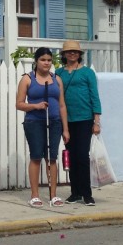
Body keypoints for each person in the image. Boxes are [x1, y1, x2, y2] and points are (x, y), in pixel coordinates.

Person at [16, 46, 69, 207]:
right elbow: (19, 104)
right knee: (36, 156)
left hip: (54, 122)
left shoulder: (56, 79)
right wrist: (35, 106)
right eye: (43, 60)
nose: (46, 63)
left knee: (52, 157)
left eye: (49, 60)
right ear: (36, 61)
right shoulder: (27, 79)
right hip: (34, 122)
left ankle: (53, 195)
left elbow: (62, 105)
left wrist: (65, 129)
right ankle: (35, 195)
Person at [55, 39, 102, 206]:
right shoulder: (58, 73)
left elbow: (95, 96)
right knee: (71, 156)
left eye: (75, 51)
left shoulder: (87, 73)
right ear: (64, 55)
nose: (72, 54)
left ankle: (87, 193)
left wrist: (97, 121)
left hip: (84, 119)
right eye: (69, 52)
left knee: (82, 156)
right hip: (66, 121)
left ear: (79, 54)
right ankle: (75, 192)